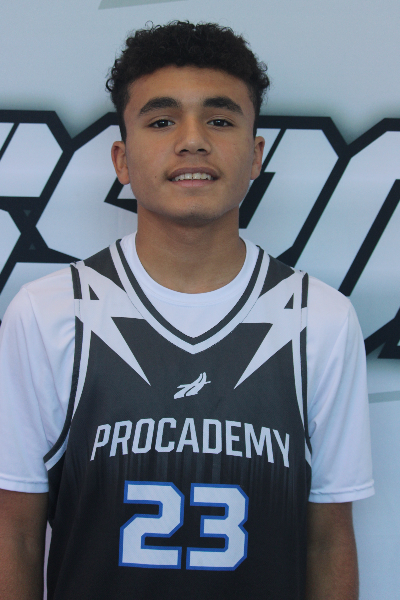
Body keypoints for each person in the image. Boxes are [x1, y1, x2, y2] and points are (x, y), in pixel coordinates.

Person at [0, 21, 374, 600]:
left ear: (256, 155)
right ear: (122, 159)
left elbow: (328, 541)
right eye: (161, 121)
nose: (193, 140)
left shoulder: (319, 319)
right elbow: (17, 534)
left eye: (220, 120)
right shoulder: (48, 312)